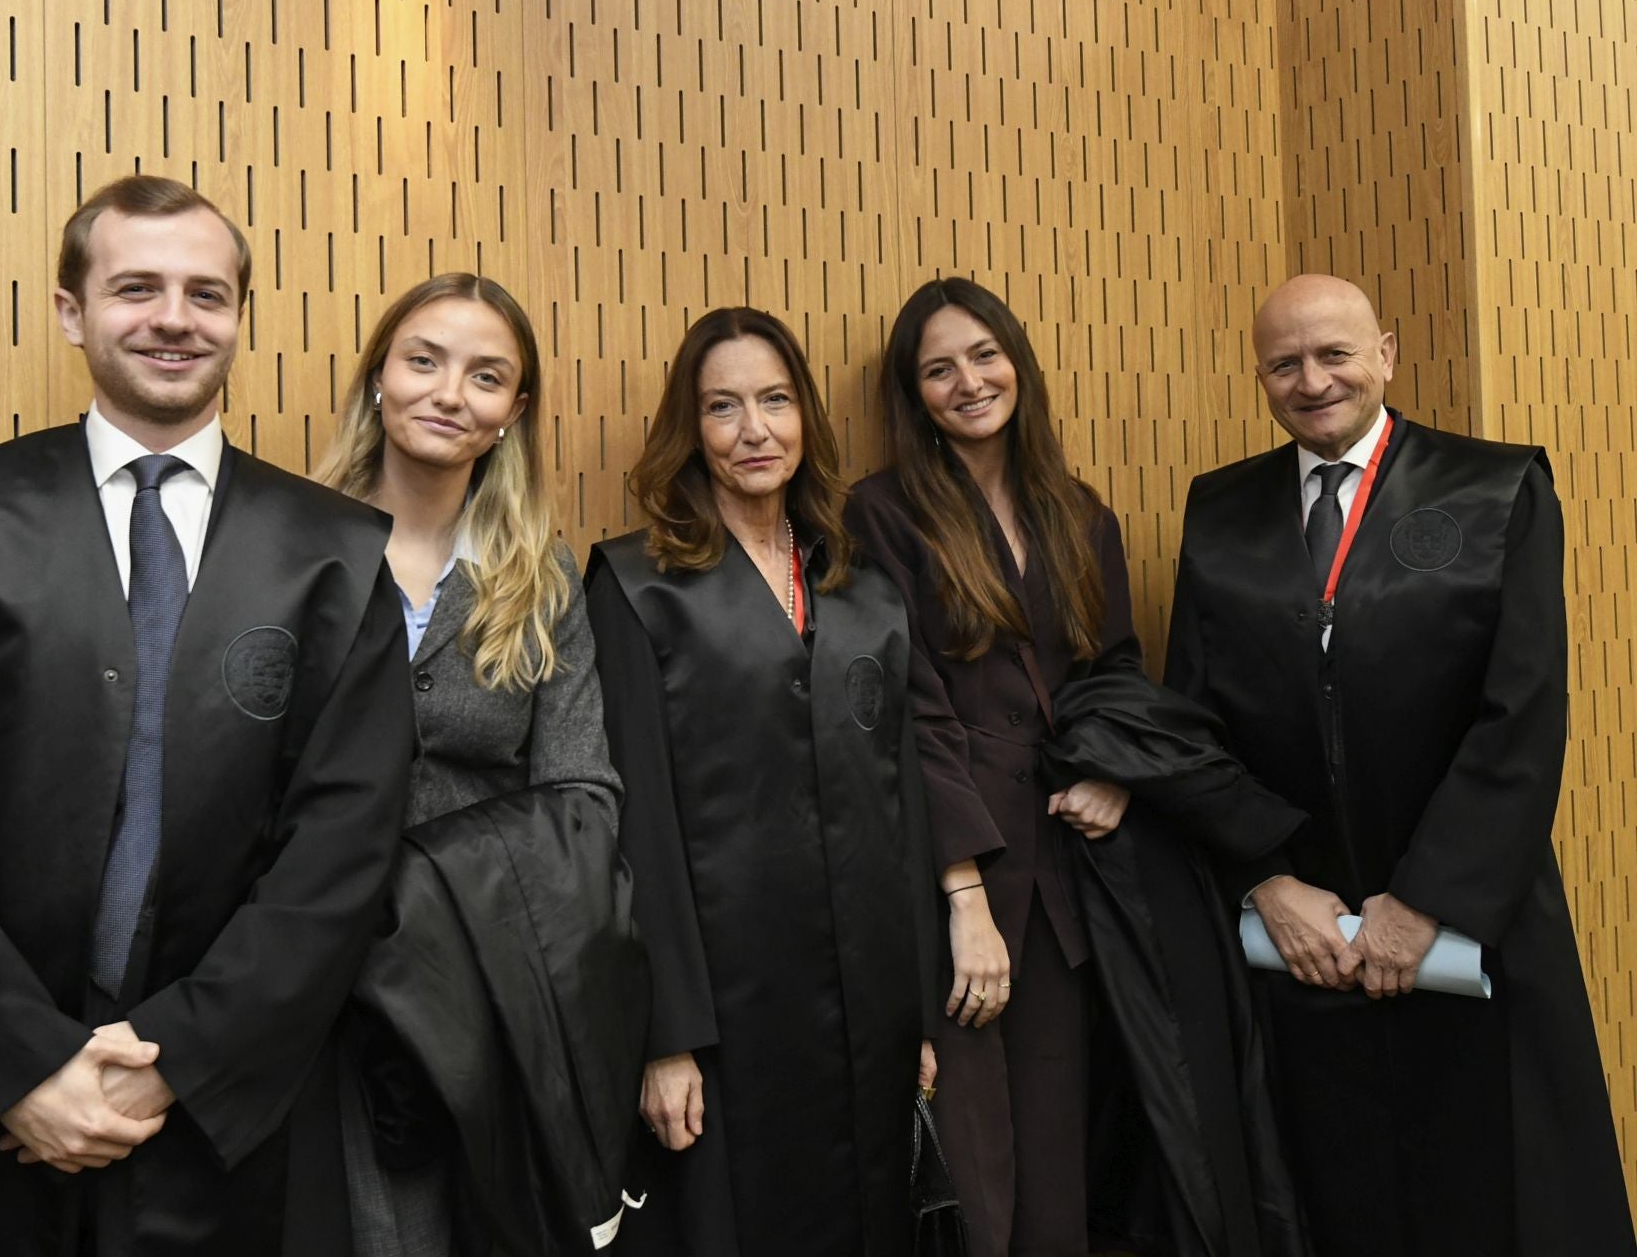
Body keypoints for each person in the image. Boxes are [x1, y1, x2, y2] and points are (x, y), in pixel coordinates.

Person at [0, 175, 414, 1257]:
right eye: (136, 287)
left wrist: (174, 1056)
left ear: (239, 317)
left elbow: (342, 852)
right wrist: (20, 1068)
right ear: (71, 309)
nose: (174, 317)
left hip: (223, 1115)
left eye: (206, 293)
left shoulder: (333, 555)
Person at [1166, 272, 1637, 1256]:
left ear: (1386, 351)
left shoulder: (1497, 483)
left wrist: (1425, 900)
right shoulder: (1221, 511)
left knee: (1493, 1197)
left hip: (1468, 926)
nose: (1312, 379)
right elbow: (1191, 721)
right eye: (1284, 363)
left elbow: (1523, 709)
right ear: (1260, 377)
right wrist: (1266, 878)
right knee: (1333, 1196)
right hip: (1305, 939)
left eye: (1334, 353)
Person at [846, 277, 1309, 1257]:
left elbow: (1116, 670)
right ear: (912, 392)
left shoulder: (1077, 509)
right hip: (949, 876)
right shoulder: (879, 512)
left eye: (983, 354)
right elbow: (907, 708)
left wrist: (1114, 771)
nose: (968, 381)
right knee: (970, 1183)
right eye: (938, 368)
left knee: (1060, 1179)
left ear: (1018, 359)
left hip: (1070, 875)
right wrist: (962, 892)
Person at [584, 307, 937, 1256]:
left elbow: (900, 804)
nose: (754, 431)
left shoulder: (864, 588)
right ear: (690, 429)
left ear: (806, 417)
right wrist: (667, 1037)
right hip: (729, 1010)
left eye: (776, 400)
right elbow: (636, 827)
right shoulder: (635, 585)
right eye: (723, 406)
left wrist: (920, 1007)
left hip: (871, 1003)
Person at [315, 273, 625, 1256]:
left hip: (480, 984)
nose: (451, 393)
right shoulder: (288, 548)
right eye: (424, 361)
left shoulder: (542, 576)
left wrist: (433, 888)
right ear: (377, 378)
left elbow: (584, 797)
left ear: (513, 413)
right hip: (311, 981)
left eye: (487, 376)